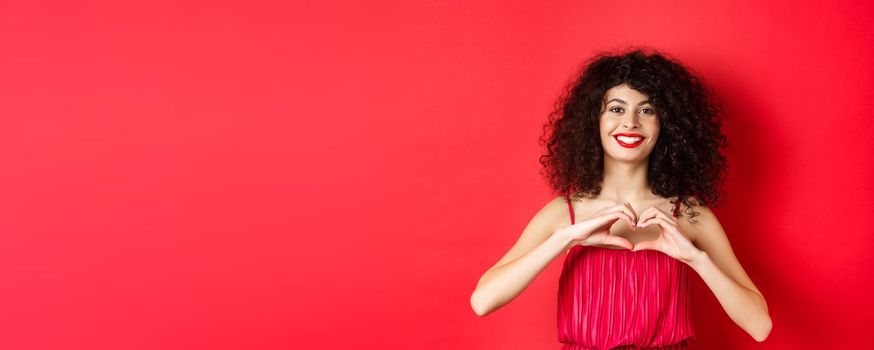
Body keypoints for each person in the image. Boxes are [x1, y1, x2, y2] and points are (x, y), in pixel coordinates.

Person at [469, 48, 772, 348]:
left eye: (647, 110)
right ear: (594, 122)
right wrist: (563, 239)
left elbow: (760, 327)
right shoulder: (565, 214)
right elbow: (483, 301)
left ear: (666, 125)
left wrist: (696, 259)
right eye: (616, 109)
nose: (630, 122)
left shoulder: (690, 214)